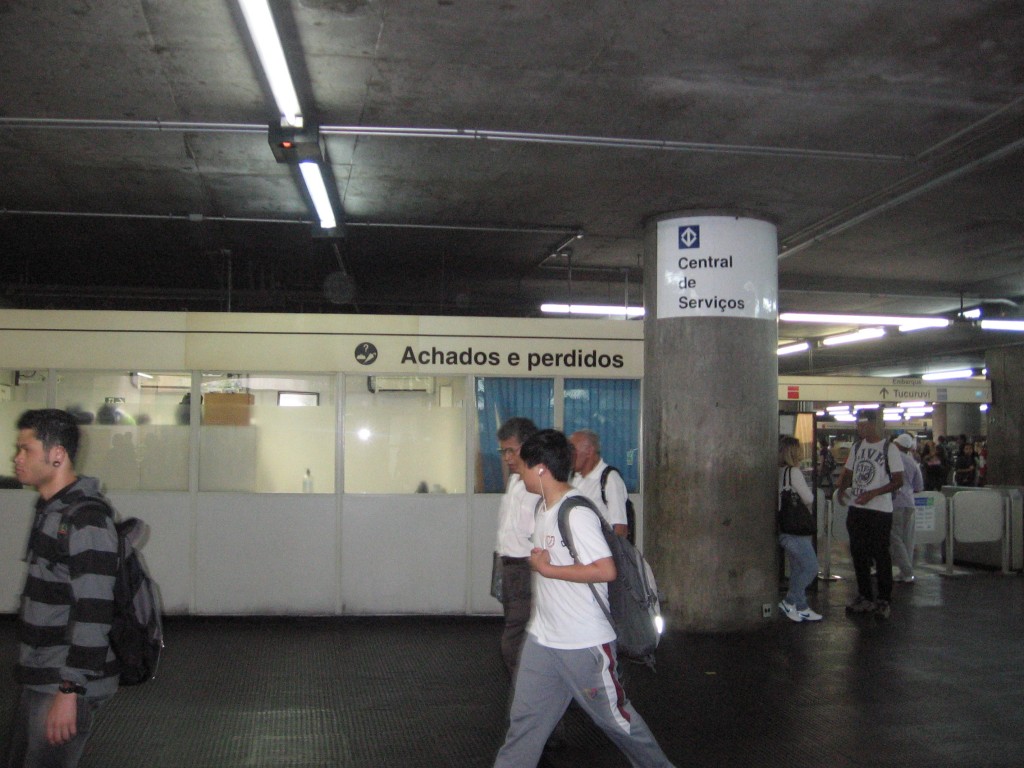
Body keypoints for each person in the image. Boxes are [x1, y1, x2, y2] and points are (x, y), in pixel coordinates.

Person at [493, 430, 676, 768]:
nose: (519, 473)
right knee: (525, 725)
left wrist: (548, 570)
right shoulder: (545, 509)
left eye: (525, 466)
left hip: (584, 643)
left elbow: (606, 570)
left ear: (543, 469)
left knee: (619, 722)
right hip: (544, 639)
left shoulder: (576, 512)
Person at [5, 409, 120, 768]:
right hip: (40, 675)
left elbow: (94, 611)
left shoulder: (85, 520)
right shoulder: (51, 509)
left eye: (26, 450)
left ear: (57, 454)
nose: (16, 458)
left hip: (62, 682)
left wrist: (69, 692)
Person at [836, 409, 903, 620]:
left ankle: (884, 599)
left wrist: (873, 493)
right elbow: (848, 471)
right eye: (858, 424)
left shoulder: (888, 448)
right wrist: (841, 487)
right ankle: (864, 595)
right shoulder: (857, 447)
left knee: (881, 554)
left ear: (874, 424)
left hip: (879, 511)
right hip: (858, 509)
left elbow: (898, 480)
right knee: (859, 553)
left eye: (863, 424)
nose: (859, 428)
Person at [494, 417, 540, 686]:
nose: (507, 457)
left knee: (513, 644)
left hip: (529, 570)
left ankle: (533, 701)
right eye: (504, 451)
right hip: (510, 569)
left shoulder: (538, 485)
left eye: (512, 450)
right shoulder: (514, 482)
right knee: (519, 638)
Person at [777, 437, 823, 623]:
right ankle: (790, 601)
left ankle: (801, 606)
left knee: (797, 568)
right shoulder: (793, 472)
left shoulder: (778, 472)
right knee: (811, 568)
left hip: (784, 528)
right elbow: (809, 498)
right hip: (797, 530)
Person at [568, 429, 629, 538]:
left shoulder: (610, 479)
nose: (569, 456)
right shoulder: (574, 478)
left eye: (573, 451)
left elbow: (620, 528)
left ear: (589, 452)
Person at [890, 433, 924, 584]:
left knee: (895, 537)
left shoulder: (891, 458)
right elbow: (919, 487)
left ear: (896, 445)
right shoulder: (912, 462)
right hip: (909, 503)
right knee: (908, 539)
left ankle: (906, 569)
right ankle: (906, 573)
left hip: (895, 502)